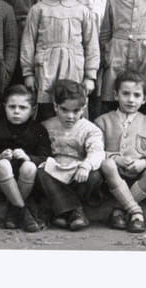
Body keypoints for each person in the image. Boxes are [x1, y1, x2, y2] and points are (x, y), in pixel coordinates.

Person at [20, 0, 99, 123]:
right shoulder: (38, 9)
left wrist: (90, 76)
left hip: (74, 69)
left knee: (72, 106)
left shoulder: (83, 11)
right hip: (46, 69)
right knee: (47, 112)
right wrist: (28, 73)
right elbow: (28, 43)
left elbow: (92, 46)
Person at [95, 70, 146, 233]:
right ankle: (136, 212)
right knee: (107, 164)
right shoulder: (102, 121)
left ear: (144, 99)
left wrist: (143, 162)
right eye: (125, 94)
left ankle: (119, 210)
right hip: (112, 177)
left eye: (136, 95)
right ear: (116, 95)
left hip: (139, 176)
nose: (131, 99)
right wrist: (116, 159)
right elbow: (96, 151)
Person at [36, 80, 104, 231]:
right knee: (40, 171)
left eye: (76, 111)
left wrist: (86, 166)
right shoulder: (46, 126)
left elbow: (97, 151)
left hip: (77, 173)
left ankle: (59, 212)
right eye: (64, 110)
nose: (70, 116)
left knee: (95, 176)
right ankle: (74, 212)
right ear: (55, 106)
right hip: (54, 173)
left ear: (83, 108)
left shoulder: (90, 129)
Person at [0, 84, 50, 232]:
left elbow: (45, 158)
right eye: (12, 107)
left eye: (23, 108)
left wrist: (28, 157)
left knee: (29, 166)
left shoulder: (38, 129)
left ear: (33, 109)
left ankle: (14, 212)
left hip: (25, 182)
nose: (16, 111)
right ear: (4, 106)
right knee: (3, 164)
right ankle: (23, 211)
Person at [69, 0, 120, 121]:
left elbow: (114, 6)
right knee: (76, 83)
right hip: (75, 37)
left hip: (100, 36)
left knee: (97, 86)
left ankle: (97, 125)